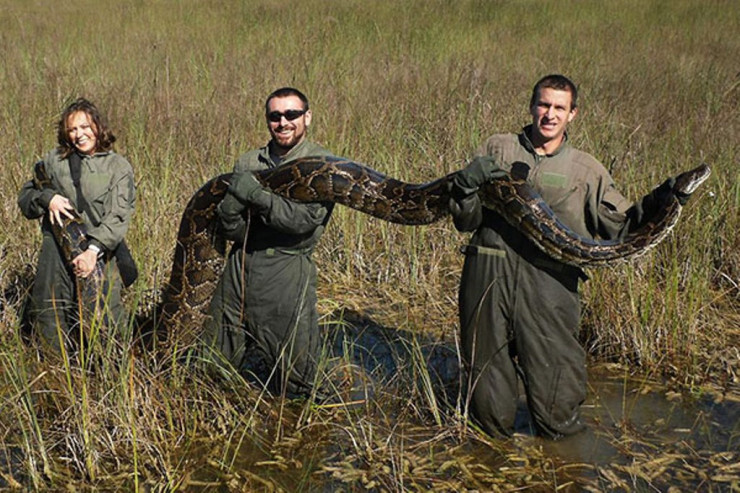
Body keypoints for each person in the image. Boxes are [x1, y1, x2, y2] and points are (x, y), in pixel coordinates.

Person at [449, 74, 692, 439]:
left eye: (559, 108)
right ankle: (491, 462)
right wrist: (465, 186)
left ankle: (560, 466)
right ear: (532, 106)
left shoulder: (586, 170)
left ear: (573, 114)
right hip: (487, 273)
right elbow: (466, 220)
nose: (550, 114)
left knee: (556, 401)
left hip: (549, 286)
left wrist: (665, 200)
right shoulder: (496, 149)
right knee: (486, 393)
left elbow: (623, 230)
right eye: (544, 105)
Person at [204, 87, 333, 398]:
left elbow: (302, 222)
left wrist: (257, 196)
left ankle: (296, 437)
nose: (283, 122)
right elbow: (235, 230)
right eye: (275, 116)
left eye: (292, 114)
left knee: (298, 378)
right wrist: (230, 215)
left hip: (286, 267)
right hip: (240, 265)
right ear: (267, 120)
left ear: (307, 117)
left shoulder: (323, 164)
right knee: (213, 360)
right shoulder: (249, 162)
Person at [18, 97, 136, 352]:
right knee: (50, 311)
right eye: (72, 129)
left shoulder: (117, 167)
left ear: (97, 126)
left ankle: (111, 378)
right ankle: (56, 374)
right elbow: (26, 200)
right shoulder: (53, 161)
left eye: (84, 127)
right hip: (55, 249)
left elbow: (118, 216)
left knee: (107, 320)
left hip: (100, 251)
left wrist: (93, 252)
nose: (79, 135)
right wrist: (47, 198)